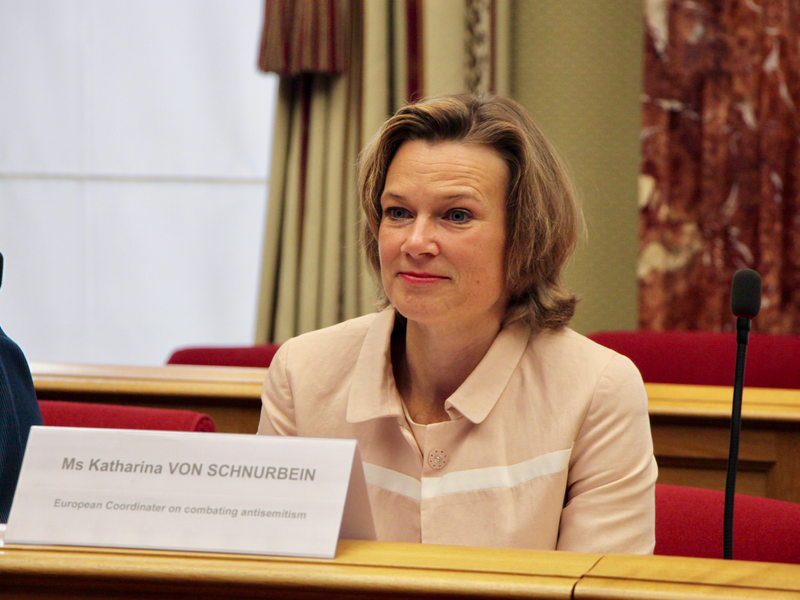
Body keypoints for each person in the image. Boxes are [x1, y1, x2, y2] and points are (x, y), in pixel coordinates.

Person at [258, 94, 657, 553]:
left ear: (524, 236)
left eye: (456, 215)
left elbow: (598, 589)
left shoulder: (598, 389)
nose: (417, 241)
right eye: (398, 212)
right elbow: (271, 572)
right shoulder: (302, 373)